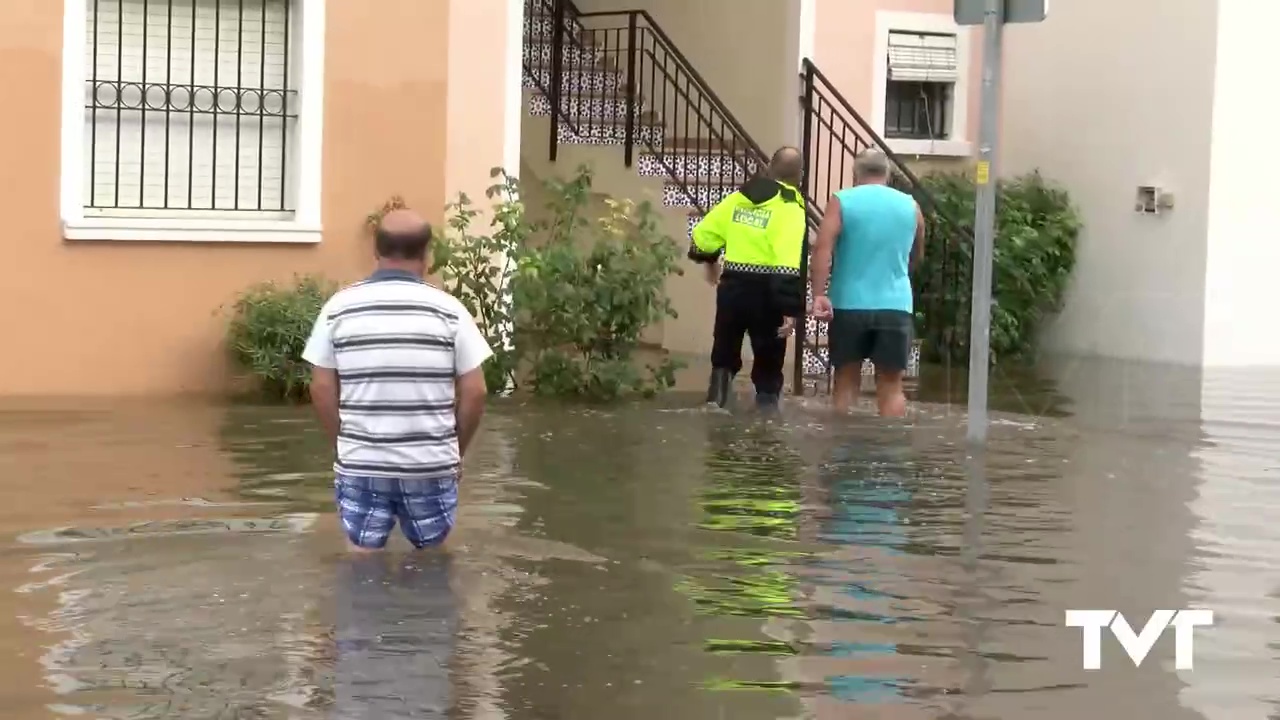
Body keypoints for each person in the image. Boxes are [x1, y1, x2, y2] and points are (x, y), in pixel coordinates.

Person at [302, 209, 492, 551]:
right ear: (426, 255)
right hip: (430, 465)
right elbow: (476, 392)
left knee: (361, 563)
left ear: (376, 251)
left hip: (362, 461)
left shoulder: (338, 308)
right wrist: (455, 453)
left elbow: (320, 387)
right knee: (432, 563)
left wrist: (343, 444)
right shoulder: (451, 311)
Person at [688, 146, 808, 409]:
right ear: (799, 175)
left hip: (733, 288)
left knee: (724, 353)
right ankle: (765, 433)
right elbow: (786, 259)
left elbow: (703, 234)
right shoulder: (790, 207)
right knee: (768, 361)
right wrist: (789, 308)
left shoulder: (737, 198)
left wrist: (709, 261)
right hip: (768, 294)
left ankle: (715, 404)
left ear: (768, 167)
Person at [809, 150, 924, 417]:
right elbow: (917, 252)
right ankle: (891, 449)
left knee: (846, 380)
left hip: (849, 304)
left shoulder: (842, 200)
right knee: (892, 385)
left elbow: (823, 248)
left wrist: (818, 294)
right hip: (896, 306)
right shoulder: (911, 205)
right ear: (888, 173)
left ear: (856, 173)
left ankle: (840, 447)